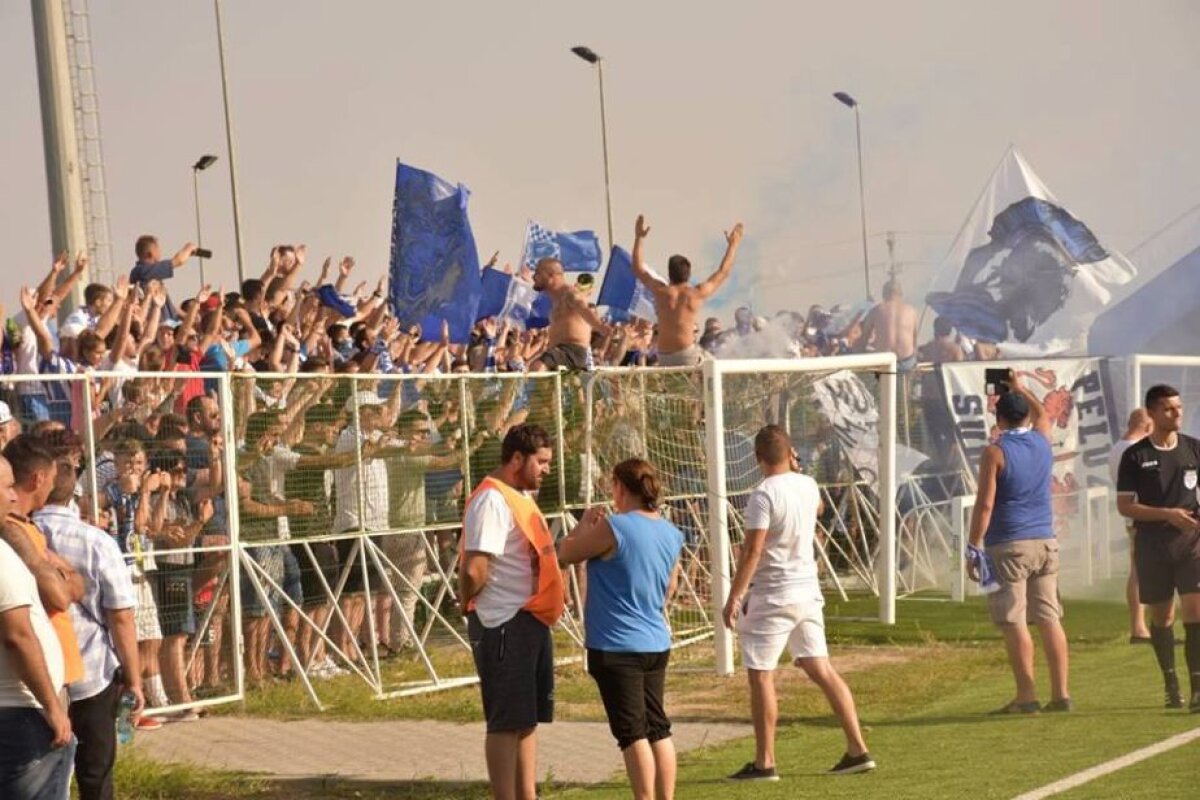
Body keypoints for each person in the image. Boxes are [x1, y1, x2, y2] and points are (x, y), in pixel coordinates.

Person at [722, 425, 875, 779]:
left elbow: (753, 549)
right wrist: (798, 469)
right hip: (807, 592)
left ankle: (765, 761)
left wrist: (735, 595)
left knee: (761, 676)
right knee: (821, 668)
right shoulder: (807, 484)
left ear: (757, 458)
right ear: (791, 454)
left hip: (773, 594)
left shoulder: (763, 494)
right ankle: (857, 746)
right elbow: (819, 508)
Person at [557, 458, 684, 800]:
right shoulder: (672, 532)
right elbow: (670, 588)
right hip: (655, 641)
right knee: (658, 727)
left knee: (632, 733)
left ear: (620, 487)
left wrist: (583, 525)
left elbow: (566, 553)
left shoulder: (616, 527)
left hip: (616, 645)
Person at [28, 435, 143, 800]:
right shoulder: (96, 541)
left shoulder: (19, 535)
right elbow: (121, 617)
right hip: (92, 675)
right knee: (95, 775)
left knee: (40, 778)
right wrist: (135, 680)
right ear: (73, 491)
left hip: (36, 675)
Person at [459, 424, 565, 800]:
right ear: (516, 459)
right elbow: (475, 567)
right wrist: (464, 600)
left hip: (529, 618)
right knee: (506, 722)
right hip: (502, 622)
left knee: (526, 719)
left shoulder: (519, 496)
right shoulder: (492, 499)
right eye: (541, 461)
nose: (547, 469)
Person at [967, 372, 1070, 714]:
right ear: (1025, 414)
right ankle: (1061, 694)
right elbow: (1042, 415)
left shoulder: (995, 452)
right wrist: (1019, 385)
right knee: (1049, 618)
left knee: (1014, 620)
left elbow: (985, 504)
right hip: (1045, 541)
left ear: (998, 418)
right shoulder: (1042, 440)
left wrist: (972, 545)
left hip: (1009, 543)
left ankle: (1026, 696)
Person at [1116, 384, 1200, 711]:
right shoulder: (1136, 456)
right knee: (1163, 617)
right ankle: (1171, 683)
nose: (1176, 413)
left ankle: (1197, 688)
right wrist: (1166, 514)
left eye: (1178, 407)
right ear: (1151, 413)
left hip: (1191, 543)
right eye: (1167, 408)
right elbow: (1125, 505)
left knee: (1194, 611)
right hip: (1152, 544)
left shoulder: (1193, 448)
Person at [0, 453, 76, 800]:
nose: (14, 496)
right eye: (5, 487)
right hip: (20, 717)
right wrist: (52, 706)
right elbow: (18, 635)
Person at [630, 215, 744, 367]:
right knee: (717, 366)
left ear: (669, 274)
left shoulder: (660, 291)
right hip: (687, 353)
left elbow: (638, 269)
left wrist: (639, 237)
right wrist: (733, 245)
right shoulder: (695, 294)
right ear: (689, 274)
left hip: (663, 355)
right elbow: (723, 272)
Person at [1108, 408, 1156, 644]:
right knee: (1140, 570)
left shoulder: (1118, 448)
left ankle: (1143, 626)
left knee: (1141, 570)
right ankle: (1139, 627)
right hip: (1142, 516)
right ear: (1148, 426)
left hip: (1137, 516)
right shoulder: (1134, 451)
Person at [528, 259, 609, 372]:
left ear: (551, 275)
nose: (534, 276)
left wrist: (600, 326)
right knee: (534, 368)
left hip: (573, 351)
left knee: (537, 367)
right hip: (560, 352)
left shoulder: (569, 294)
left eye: (538, 273)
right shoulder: (555, 299)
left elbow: (583, 308)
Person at [130, 235, 198, 320]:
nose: (160, 252)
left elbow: (167, 304)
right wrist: (188, 249)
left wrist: (187, 316)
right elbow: (178, 261)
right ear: (150, 253)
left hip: (169, 324)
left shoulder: (150, 273)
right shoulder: (142, 271)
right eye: (158, 249)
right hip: (156, 325)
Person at [856, 279, 919, 371]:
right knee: (907, 383)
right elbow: (915, 341)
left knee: (880, 383)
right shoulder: (912, 311)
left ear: (884, 294)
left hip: (884, 361)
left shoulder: (876, 311)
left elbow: (863, 339)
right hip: (907, 360)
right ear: (901, 294)